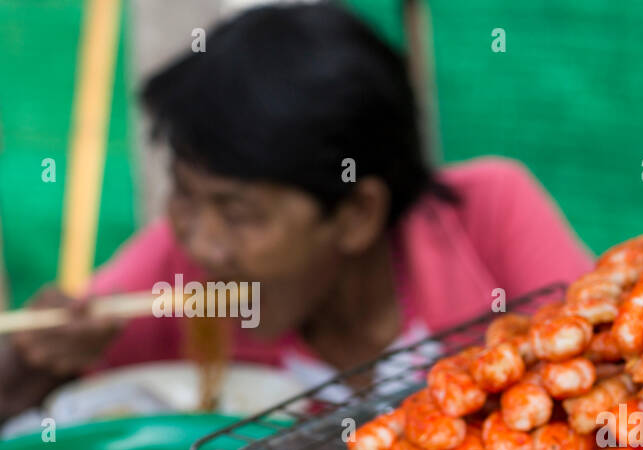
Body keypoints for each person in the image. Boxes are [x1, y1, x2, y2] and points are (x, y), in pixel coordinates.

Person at [1, 2, 593, 419]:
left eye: (240, 213)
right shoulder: (179, 261)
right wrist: (38, 360)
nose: (203, 242)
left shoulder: (487, 212)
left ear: (357, 211)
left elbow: (607, 374)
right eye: (183, 193)